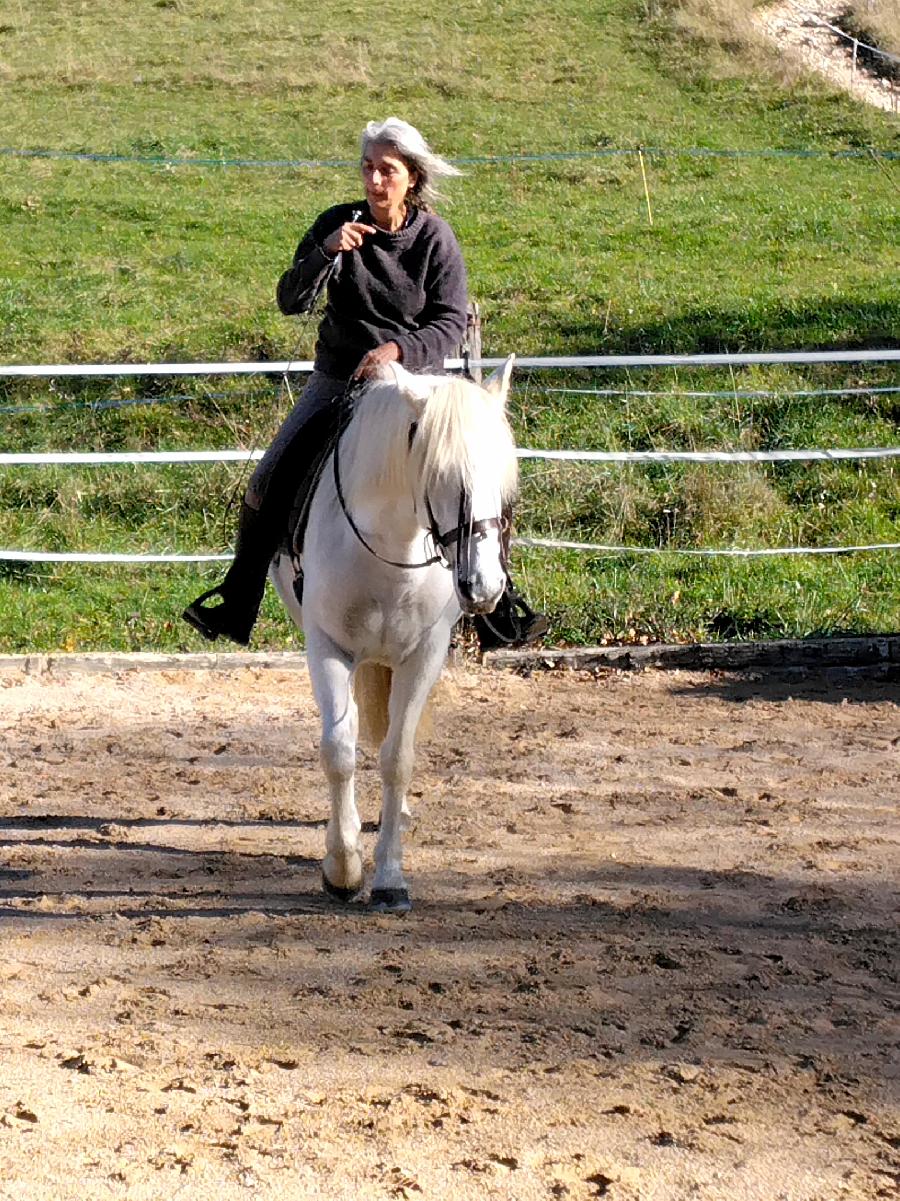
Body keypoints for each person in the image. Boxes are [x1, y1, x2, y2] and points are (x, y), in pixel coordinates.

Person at [183, 117, 547, 651]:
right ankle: (238, 600)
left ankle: (497, 605)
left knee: (475, 476)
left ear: (413, 178)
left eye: (388, 171)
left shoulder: (435, 239)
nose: (375, 181)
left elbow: (448, 322)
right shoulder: (336, 223)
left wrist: (397, 351)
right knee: (265, 482)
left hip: (416, 388)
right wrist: (326, 252)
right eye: (368, 169)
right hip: (339, 380)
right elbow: (291, 300)